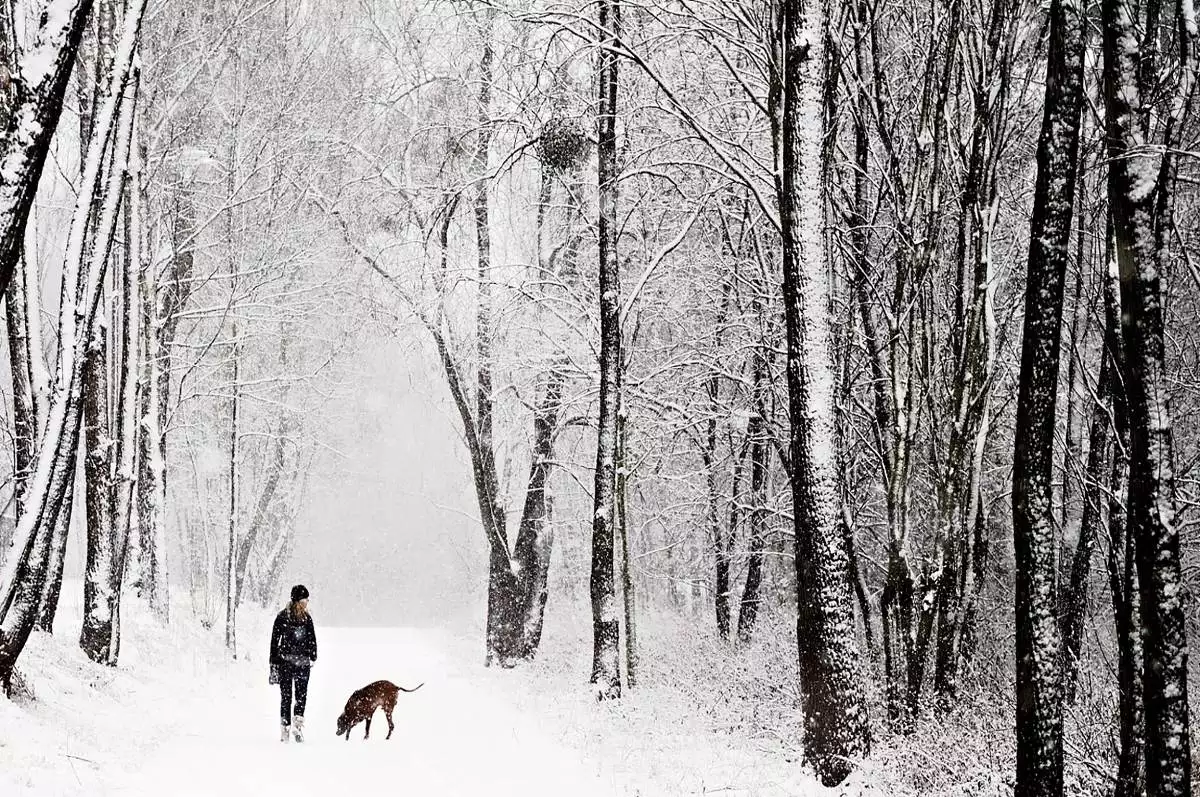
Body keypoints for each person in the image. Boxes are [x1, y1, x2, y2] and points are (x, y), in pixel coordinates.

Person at [269, 584, 318, 742]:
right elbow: (274, 641)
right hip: (286, 663)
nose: (306, 603)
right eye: (304, 600)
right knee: (287, 697)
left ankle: (297, 726)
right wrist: (274, 661)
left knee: (301, 696)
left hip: (302, 663)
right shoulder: (283, 617)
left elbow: (312, 639)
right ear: (297, 601)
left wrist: (313, 655)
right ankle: (285, 729)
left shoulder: (306, 618)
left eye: (307, 600)